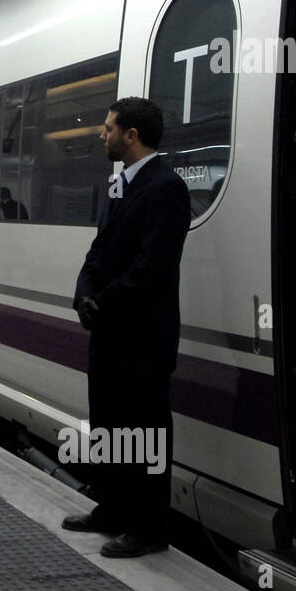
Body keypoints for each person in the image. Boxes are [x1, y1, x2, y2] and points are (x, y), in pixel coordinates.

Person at [68, 97, 190, 559]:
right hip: (111, 331)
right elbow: (98, 251)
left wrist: (103, 301)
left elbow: (152, 266)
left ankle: (149, 526)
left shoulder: (167, 188)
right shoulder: (121, 184)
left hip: (143, 337)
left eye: (108, 128)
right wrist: (83, 293)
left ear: (131, 135)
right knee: (109, 421)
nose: (103, 135)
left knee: (145, 428)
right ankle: (112, 508)